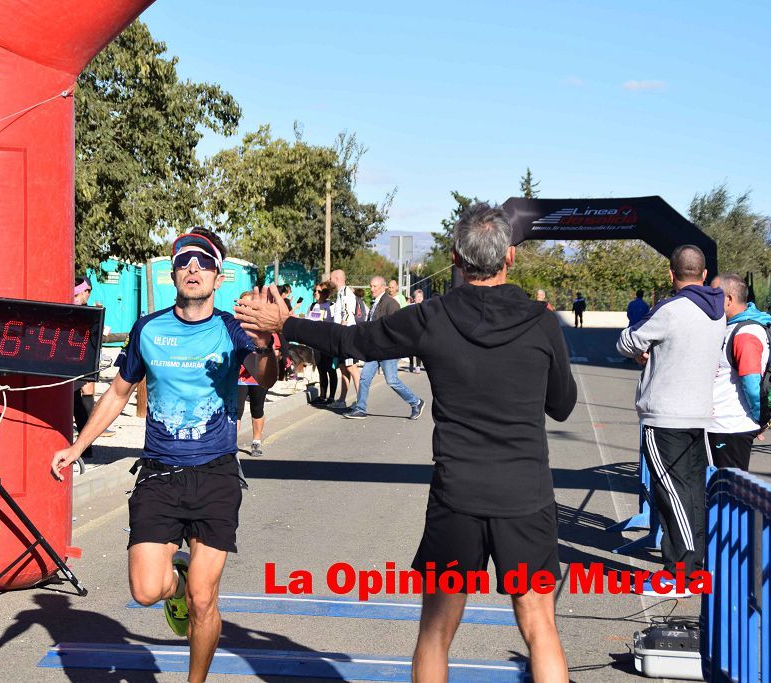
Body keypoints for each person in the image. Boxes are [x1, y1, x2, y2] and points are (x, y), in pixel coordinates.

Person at [237, 203, 577, 682]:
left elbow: (352, 342)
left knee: (435, 634)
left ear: (456, 258)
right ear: (511, 259)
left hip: (458, 497)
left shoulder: (433, 316)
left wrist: (287, 325)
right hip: (526, 497)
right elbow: (562, 405)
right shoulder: (541, 322)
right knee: (540, 626)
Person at [51, 228, 277, 683]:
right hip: (159, 474)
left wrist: (270, 342)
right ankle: (173, 581)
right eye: (185, 262)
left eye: (204, 263)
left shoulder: (233, 330)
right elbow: (117, 393)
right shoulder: (148, 329)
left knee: (203, 596)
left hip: (215, 475)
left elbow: (264, 377)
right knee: (146, 590)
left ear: (218, 278)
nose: (194, 269)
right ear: (174, 274)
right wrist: (77, 445)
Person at [616, 245, 725, 597]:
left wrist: (645, 353)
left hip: (665, 414)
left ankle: (679, 573)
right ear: (704, 274)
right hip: (698, 413)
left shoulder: (671, 309)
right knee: (691, 491)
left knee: (669, 494)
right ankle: (694, 567)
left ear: (670, 273)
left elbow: (626, 341)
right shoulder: (718, 311)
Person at [707, 273, 771, 470]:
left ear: (729, 299)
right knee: (717, 491)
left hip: (730, 428)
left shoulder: (745, 333)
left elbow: (752, 383)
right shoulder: (731, 327)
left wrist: (761, 419)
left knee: (729, 493)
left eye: (713, 295)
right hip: (720, 426)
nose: (709, 300)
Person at [343, 276, 423, 420]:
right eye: (371, 286)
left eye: (374, 286)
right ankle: (360, 409)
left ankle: (416, 402)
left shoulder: (390, 304)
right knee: (364, 378)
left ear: (382, 287)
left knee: (392, 380)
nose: (371, 289)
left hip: (387, 350)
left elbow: (397, 328)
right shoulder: (375, 303)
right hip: (374, 349)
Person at [235, 293, 277, 458]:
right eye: (242, 305)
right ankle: (231, 445)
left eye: (248, 305)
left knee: (257, 408)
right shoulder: (234, 326)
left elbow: (272, 348)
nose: (245, 308)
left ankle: (256, 442)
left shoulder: (261, 326)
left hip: (257, 377)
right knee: (236, 410)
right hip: (238, 377)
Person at [71, 276, 97, 465]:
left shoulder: (87, 311)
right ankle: (86, 446)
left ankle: (86, 445)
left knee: (77, 402)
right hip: (76, 362)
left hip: (77, 361)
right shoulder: (82, 311)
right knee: (78, 402)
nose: (89, 294)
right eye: (88, 291)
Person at [328, 269, 360, 410]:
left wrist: (341, 332)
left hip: (346, 335)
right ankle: (342, 400)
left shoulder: (346, 292)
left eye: (331, 278)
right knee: (343, 368)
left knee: (352, 368)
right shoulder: (340, 293)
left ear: (337, 278)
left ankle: (361, 401)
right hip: (341, 336)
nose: (330, 281)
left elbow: (347, 313)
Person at [308, 281, 337, 405]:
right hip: (316, 343)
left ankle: (332, 397)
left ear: (325, 293)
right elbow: (308, 322)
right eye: (315, 290)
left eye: (319, 291)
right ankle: (322, 395)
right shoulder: (312, 305)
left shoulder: (331, 305)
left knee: (331, 369)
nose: (316, 293)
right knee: (321, 370)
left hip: (328, 342)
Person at [408, 289, 425, 373]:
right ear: (414, 298)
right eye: (417, 296)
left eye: (421, 296)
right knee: (410, 348)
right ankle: (411, 363)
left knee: (419, 349)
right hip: (411, 329)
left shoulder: (425, 307)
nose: (419, 298)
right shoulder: (410, 307)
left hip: (421, 330)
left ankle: (418, 366)